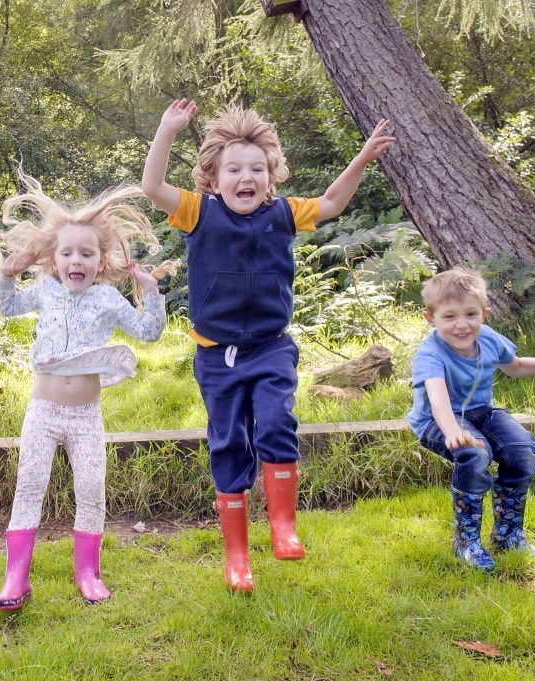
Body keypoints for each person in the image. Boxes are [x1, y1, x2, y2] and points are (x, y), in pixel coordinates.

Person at [141, 99, 395, 592]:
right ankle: (237, 555)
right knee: (229, 443)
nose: (246, 176)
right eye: (234, 169)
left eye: (257, 168)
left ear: (271, 176)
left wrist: (361, 160)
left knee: (277, 423)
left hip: (271, 347)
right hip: (216, 355)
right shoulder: (198, 212)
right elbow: (152, 187)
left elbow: (334, 203)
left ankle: (282, 525)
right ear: (214, 179)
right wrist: (167, 130)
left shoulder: (284, 213)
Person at [0, 175, 169, 609]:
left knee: (91, 489)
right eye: (67, 253)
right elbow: (7, 307)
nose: (76, 260)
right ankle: (16, 578)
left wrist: (152, 293)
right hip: (44, 410)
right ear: (55, 258)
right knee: (29, 484)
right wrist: (7, 276)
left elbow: (148, 333)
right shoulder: (46, 289)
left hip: (85, 415)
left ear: (101, 259)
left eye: (86, 253)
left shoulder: (106, 299)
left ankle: (88, 573)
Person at [408, 267, 535, 571]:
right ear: (430, 319)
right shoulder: (430, 354)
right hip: (435, 421)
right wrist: (452, 431)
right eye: (449, 317)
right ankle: (467, 542)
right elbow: (438, 399)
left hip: (480, 412)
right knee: (474, 452)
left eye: (470, 314)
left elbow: (517, 367)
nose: (462, 325)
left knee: (521, 451)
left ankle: (508, 534)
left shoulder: (488, 339)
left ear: (483, 314)